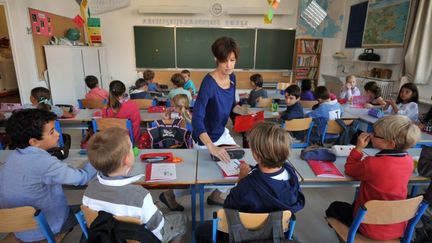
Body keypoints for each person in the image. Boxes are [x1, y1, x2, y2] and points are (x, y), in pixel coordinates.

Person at [195, 122, 305, 242]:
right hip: (276, 233)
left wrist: (241, 179)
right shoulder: (292, 175)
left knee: (201, 230)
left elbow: (229, 207)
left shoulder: (247, 186)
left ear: (256, 155)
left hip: (242, 235)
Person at [0, 109, 96, 242]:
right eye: (52, 132)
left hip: (19, 228)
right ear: (33, 142)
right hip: (45, 227)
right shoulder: (44, 163)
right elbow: (82, 178)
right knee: (95, 212)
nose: (58, 134)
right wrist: (96, 159)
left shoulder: (12, 157)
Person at [83, 127, 187, 243]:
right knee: (181, 218)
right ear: (127, 159)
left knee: (154, 207)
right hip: (143, 238)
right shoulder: (140, 196)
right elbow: (158, 229)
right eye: (131, 148)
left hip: (107, 237)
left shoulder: (89, 190)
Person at [326, 115, 421, 240]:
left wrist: (358, 148)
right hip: (398, 226)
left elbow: (349, 169)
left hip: (369, 227)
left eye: (375, 134)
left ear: (390, 143)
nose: (370, 135)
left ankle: (347, 237)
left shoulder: (372, 163)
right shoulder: (408, 160)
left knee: (334, 207)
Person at [192, 36, 242, 205]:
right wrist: (210, 146)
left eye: (232, 60)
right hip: (204, 137)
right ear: (216, 59)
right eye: (224, 61)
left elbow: (231, 105)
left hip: (221, 133)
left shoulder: (233, 78)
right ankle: (171, 194)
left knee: (240, 169)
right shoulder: (209, 83)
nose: (229, 65)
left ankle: (215, 196)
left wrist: (245, 116)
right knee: (202, 177)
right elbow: (196, 118)